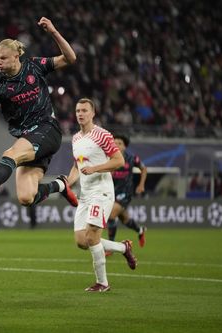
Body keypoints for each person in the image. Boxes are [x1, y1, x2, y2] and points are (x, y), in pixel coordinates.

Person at [0, 17, 78, 209]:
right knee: (27, 197)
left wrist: (53, 32)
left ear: (16, 57)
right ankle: (61, 185)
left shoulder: (34, 66)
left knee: (10, 154)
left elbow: (70, 58)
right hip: (28, 138)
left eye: (3, 58)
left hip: (47, 129)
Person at [64, 98, 137, 292]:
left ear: (93, 113)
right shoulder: (75, 139)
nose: (80, 114)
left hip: (102, 192)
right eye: (78, 110)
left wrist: (95, 168)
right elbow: (76, 166)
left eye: (84, 111)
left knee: (92, 235)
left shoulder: (103, 135)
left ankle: (102, 283)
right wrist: (66, 183)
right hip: (85, 194)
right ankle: (124, 248)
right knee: (81, 241)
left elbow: (119, 160)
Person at [107, 134, 148, 250]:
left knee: (111, 215)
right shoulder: (109, 158)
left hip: (125, 193)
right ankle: (140, 230)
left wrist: (141, 184)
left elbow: (143, 169)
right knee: (124, 219)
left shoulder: (132, 158)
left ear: (125, 146)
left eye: (119, 143)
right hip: (111, 192)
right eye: (114, 143)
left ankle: (110, 247)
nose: (116, 145)